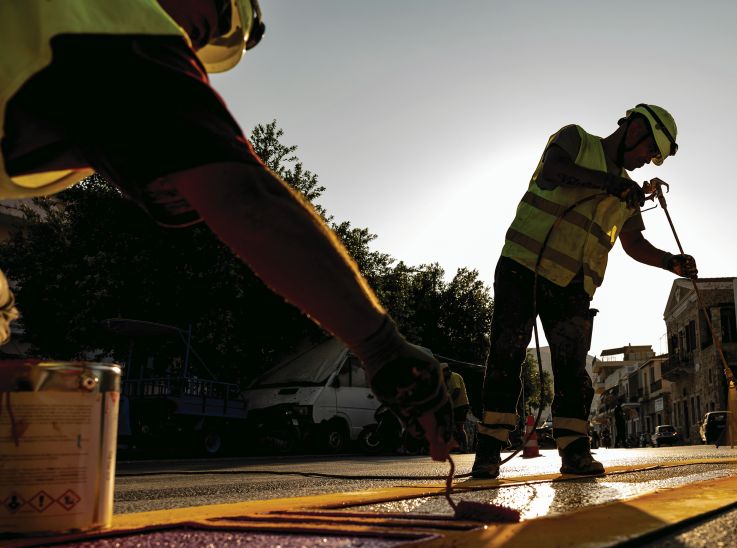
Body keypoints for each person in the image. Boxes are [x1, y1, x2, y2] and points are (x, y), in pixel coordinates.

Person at [0, 1, 452, 456]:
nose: (197, 37)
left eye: (209, 34)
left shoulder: (64, 56)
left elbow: (203, 187)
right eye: (215, 11)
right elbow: (247, 202)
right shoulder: (109, 18)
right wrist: (382, 346)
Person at [473, 104, 698, 478]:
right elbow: (553, 172)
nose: (647, 161)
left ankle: (575, 452)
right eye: (649, 151)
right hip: (522, 266)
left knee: (572, 370)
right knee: (506, 355)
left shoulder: (626, 191)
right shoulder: (575, 139)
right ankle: (488, 451)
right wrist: (609, 183)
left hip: (574, 285)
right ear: (636, 128)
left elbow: (633, 242)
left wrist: (670, 262)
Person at [441, 363, 471, 451]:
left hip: (461, 405)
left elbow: (456, 391)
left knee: (459, 426)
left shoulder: (454, 376)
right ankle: (457, 446)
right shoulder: (446, 380)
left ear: (446, 371)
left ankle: (465, 447)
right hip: (454, 406)